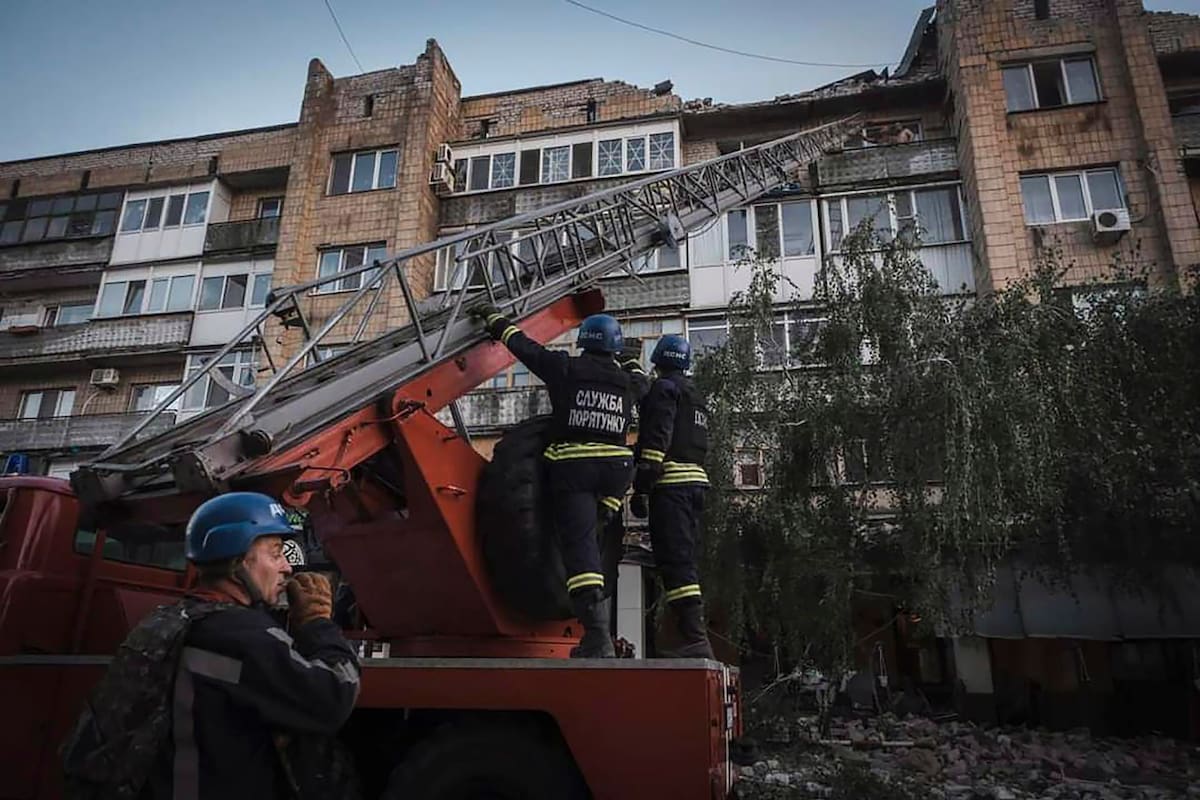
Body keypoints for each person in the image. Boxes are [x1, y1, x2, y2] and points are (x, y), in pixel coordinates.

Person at [62, 492, 360, 800]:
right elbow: (332, 698)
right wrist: (317, 624)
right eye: (275, 553)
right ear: (237, 561)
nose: (287, 566)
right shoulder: (239, 635)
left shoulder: (168, 620)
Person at [472, 305, 649, 658]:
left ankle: (597, 635)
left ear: (583, 342)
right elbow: (642, 382)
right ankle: (606, 515)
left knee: (579, 545)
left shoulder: (565, 368)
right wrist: (630, 360)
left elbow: (524, 347)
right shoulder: (627, 382)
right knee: (596, 532)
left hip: (577, 467)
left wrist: (495, 322)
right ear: (613, 347)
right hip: (616, 472)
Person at [630, 334, 715, 659]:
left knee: (673, 560)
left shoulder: (665, 390)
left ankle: (694, 637)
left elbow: (657, 438)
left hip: (672, 486)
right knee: (684, 559)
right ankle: (691, 636)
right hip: (695, 484)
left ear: (658, 361)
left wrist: (641, 487)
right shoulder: (695, 395)